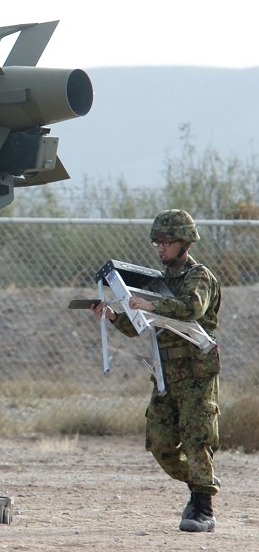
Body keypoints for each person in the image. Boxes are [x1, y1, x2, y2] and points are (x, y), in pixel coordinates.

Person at [92, 209, 221, 533]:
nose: (161, 248)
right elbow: (140, 327)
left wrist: (150, 305)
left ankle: (203, 507)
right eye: (157, 242)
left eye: (167, 241)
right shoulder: (159, 282)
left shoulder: (199, 277)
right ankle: (200, 482)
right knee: (161, 444)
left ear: (185, 243)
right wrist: (113, 316)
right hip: (165, 372)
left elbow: (192, 308)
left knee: (196, 439)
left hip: (195, 372)